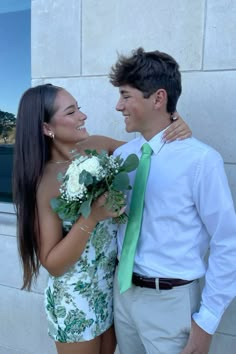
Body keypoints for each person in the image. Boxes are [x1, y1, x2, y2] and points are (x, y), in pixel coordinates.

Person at [13, 83, 191, 354]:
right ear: (46, 128)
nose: (83, 116)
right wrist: (92, 217)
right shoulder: (46, 182)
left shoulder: (98, 145)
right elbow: (53, 264)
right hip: (74, 301)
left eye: (79, 108)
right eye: (71, 112)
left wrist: (173, 124)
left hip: (110, 292)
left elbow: (150, 154)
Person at [109, 48, 236, 354]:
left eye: (126, 96)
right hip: (123, 296)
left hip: (171, 303)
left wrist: (206, 322)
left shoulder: (201, 161)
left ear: (158, 98)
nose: (118, 106)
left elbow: (227, 241)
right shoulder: (124, 157)